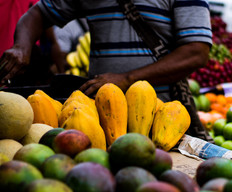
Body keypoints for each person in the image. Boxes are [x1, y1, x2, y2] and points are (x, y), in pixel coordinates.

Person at [0, 0, 213, 140]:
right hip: (101, 119)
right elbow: (38, 13)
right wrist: (21, 46)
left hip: (161, 122)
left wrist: (127, 79)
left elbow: (196, 52)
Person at [0, 0, 65, 86]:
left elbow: (53, 41)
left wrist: (62, 75)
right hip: (5, 65)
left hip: (30, 69)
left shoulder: (37, 5)